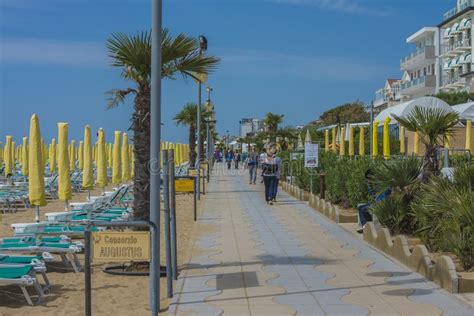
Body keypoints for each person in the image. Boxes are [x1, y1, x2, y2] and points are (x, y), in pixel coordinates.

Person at [357, 169, 391, 234]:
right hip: (375, 203)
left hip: (381, 204)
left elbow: (387, 194)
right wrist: (370, 186)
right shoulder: (374, 185)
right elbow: (372, 194)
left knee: (364, 208)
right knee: (360, 207)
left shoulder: (383, 184)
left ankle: (367, 226)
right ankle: (365, 226)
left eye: (369, 179)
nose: (368, 181)